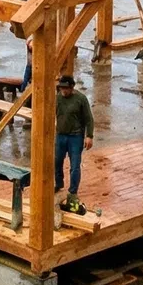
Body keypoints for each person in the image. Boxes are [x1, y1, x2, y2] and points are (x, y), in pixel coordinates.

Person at [53, 74, 94, 211]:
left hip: (75, 137)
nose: (63, 91)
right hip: (60, 135)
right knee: (57, 161)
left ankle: (73, 190)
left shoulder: (80, 99)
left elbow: (89, 119)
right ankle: (58, 183)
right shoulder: (57, 98)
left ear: (72, 88)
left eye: (66, 88)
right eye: (61, 88)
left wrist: (89, 136)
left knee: (75, 165)